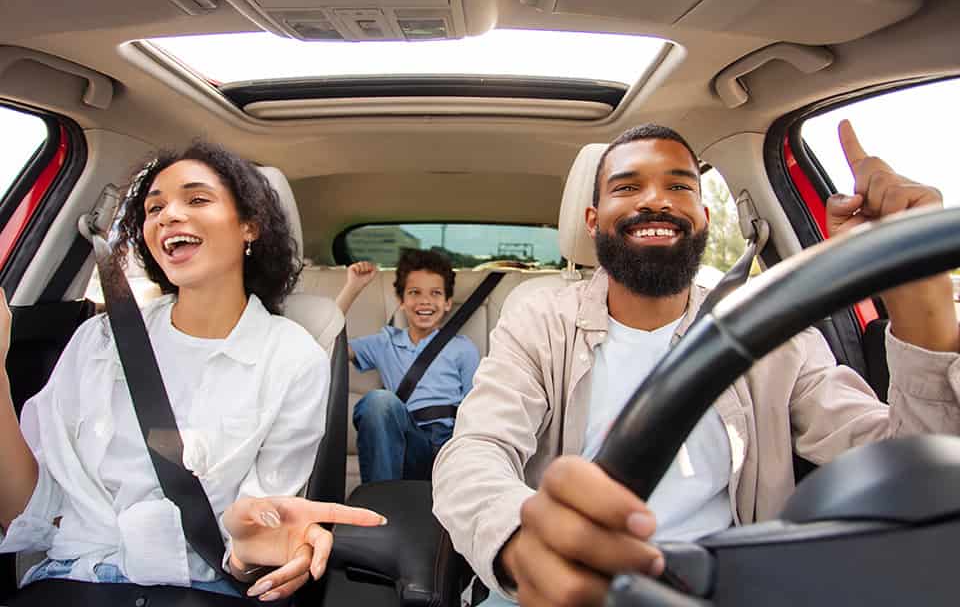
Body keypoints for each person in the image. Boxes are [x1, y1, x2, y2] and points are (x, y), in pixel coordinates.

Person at [432, 121, 960, 606]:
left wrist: (921, 304)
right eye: (627, 187)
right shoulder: (539, 320)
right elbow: (475, 451)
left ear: (704, 216)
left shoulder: (771, 331)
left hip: (715, 586)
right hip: (556, 584)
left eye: (680, 186)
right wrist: (522, 539)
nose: (655, 200)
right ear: (593, 221)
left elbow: (909, 471)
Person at [0, 142, 384, 602]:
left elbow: (253, 542)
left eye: (197, 199)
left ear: (249, 226)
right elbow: (26, 513)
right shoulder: (99, 340)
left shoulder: (292, 357)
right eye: (153, 208)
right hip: (68, 580)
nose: (169, 216)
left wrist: (249, 549)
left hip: (199, 588)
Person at [335, 249, 480, 483]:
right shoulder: (385, 342)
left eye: (435, 293)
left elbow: (475, 408)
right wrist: (353, 287)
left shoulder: (462, 348)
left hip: (448, 447)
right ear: (401, 301)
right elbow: (328, 346)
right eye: (414, 292)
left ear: (447, 303)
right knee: (378, 401)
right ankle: (380, 497)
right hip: (405, 442)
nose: (425, 301)